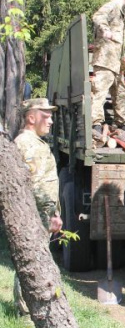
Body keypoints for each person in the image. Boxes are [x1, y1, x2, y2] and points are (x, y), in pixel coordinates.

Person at [13, 99, 63, 315]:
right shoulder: (27, 143)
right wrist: (49, 214)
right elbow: (34, 183)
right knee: (31, 260)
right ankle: (25, 310)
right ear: (31, 118)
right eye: (46, 115)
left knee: (34, 258)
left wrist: (55, 211)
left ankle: (28, 308)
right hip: (35, 213)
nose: (50, 120)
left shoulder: (36, 142)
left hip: (40, 212)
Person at [91, 0, 125, 137]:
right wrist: (106, 31)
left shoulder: (119, 11)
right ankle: (95, 124)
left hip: (116, 62)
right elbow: (98, 16)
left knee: (121, 93)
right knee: (100, 91)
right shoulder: (112, 6)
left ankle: (121, 124)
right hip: (105, 60)